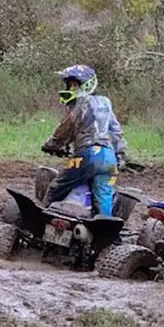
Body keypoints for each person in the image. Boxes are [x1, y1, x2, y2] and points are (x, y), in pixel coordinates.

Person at [40, 65, 127, 218]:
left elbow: (65, 129)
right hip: (109, 158)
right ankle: (103, 233)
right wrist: (120, 155)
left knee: (56, 187)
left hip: (86, 155)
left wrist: (50, 145)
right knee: (104, 201)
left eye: (75, 84)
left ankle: (40, 220)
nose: (72, 88)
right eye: (70, 84)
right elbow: (116, 131)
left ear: (86, 84)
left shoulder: (81, 103)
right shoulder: (106, 102)